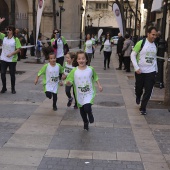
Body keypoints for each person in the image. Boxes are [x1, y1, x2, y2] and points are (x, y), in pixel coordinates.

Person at [66, 51, 103, 131]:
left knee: (87, 108)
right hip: (79, 94)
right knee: (82, 110)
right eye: (79, 59)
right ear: (77, 60)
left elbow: (95, 77)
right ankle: (85, 122)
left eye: (83, 58)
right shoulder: (74, 71)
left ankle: (90, 113)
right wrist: (68, 82)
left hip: (89, 93)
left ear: (86, 60)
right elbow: (69, 80)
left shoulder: (90, 69)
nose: (81, 60)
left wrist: (99, 85)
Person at [131, 27, 158, 115]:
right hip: (140, 71)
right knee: (139, 88)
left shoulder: (155, 45)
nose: (154, 37)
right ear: (148, 34)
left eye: (155, 35)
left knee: (148, 90)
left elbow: (154, 58)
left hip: (151, 71)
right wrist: (136, 68)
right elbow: (133, 55)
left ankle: (143, 108)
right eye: (153, 34)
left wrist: (156, 70)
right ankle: (138, 95)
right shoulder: (141, 43)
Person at [0, 18, 21, 94]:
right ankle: (4, 87)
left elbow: (19, 49)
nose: (8, 31)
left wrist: (11, 54)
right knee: (2, 73)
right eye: (7, 29)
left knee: (12, 74)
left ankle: (13, 88)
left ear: (13, 31)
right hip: (3, 58)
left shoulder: (16, 39)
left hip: (12, 60)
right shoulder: (4, 37)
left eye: (10, 30)